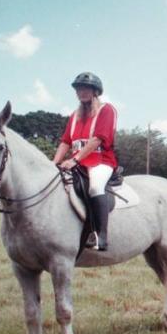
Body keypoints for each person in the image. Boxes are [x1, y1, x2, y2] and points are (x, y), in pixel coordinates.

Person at [53, 71, 118, 251]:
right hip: (78, 162)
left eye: (86, 89)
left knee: (95, 187)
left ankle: (101, 235)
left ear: (95, 91)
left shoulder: (106, 110)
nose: (82, 92)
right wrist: (53, 164)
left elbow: (97, 138)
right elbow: (66, 141)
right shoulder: (75, 115)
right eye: (79, 89)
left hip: (101, 161)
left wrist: (74, 160)